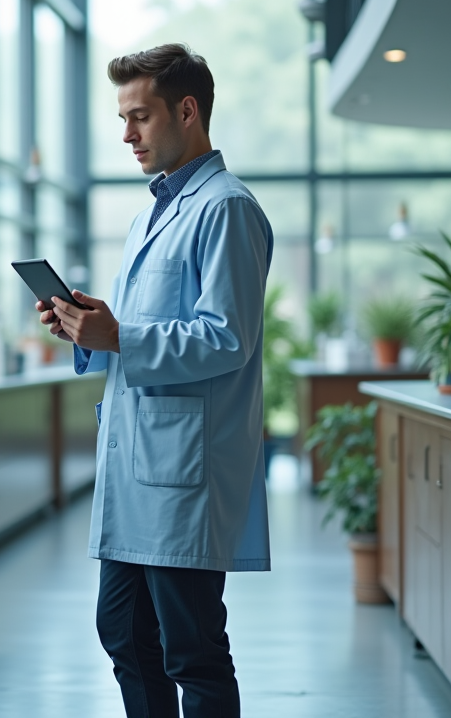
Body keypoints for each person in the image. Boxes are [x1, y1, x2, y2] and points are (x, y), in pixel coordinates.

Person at [35, 43, 273, 718]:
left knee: (192, 651)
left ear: (187, 111)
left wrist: (120, 337)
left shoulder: (225, 208)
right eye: (123, 118)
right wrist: (88, 330)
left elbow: (226, 338)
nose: (127, 135)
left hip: (182, 477)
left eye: (140, 117)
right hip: (138, 469)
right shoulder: (151, 214)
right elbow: (141, 331)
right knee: (125, 635)